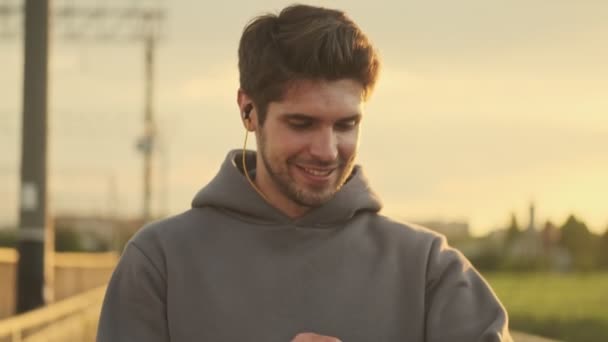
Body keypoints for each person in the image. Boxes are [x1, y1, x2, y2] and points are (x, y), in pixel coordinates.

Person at [97, 4, 512, 342]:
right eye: (302, 124)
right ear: (248, 111)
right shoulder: (159, 264)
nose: (327, 150)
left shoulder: (430, 271)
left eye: (346, 125)